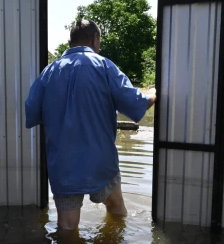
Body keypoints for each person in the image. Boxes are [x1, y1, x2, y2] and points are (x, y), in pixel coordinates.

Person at [25, 19, 156, 231]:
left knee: (67, 226)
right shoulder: (104, 66)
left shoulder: (49, 72)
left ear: (71, 41)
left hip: (64, 166)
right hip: (100, 163)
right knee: (117, 210)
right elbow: (135, 106)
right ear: (95, 39)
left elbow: (31, 114)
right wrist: (153, 94)